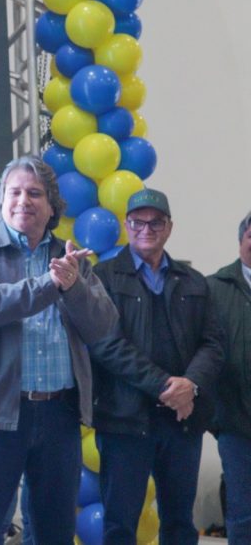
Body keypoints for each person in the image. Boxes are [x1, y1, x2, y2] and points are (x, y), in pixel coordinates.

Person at [0, 155, 117, 545]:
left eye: (35, 193)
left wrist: (73, 286)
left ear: (52, 205)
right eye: (15, 192)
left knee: (53, 533)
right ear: (2, 200)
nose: (23, 200)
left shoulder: (70, 257)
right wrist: (50, 285)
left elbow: (103, 325)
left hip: (59, 414)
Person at [89, 189, 224, 545]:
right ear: (126, 225)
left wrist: (190, 385)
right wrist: (168, 387)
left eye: (156, 222)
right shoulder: (102, 278)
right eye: (138, 221)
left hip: (182, 423)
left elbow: (212, 344)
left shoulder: (194, 282)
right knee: (119, 523)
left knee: (180, 522)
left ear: (169, 227)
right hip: (123, 421)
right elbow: (106, 345)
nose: (146, 228)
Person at [208, 209, 251, 543]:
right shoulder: (213, 288)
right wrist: (216, 418)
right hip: (236, 424)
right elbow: (201, 353)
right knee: (242, 514)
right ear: (241, 241)